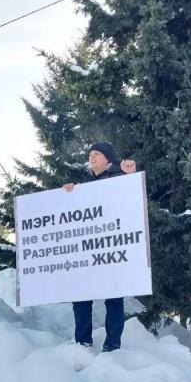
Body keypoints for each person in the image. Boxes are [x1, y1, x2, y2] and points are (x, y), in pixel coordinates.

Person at [63, 141, 137, 352]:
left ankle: (113, 344)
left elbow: (132, 201)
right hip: (88, 250)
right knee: (81, 297)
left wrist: (130, 177)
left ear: (108, 158)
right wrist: (68, 193)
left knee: (113, 297)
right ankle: (83, 342)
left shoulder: (119, 178)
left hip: (111, 248)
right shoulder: (83, 186)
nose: (91, 157)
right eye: (90, 154)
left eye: (96, 153)